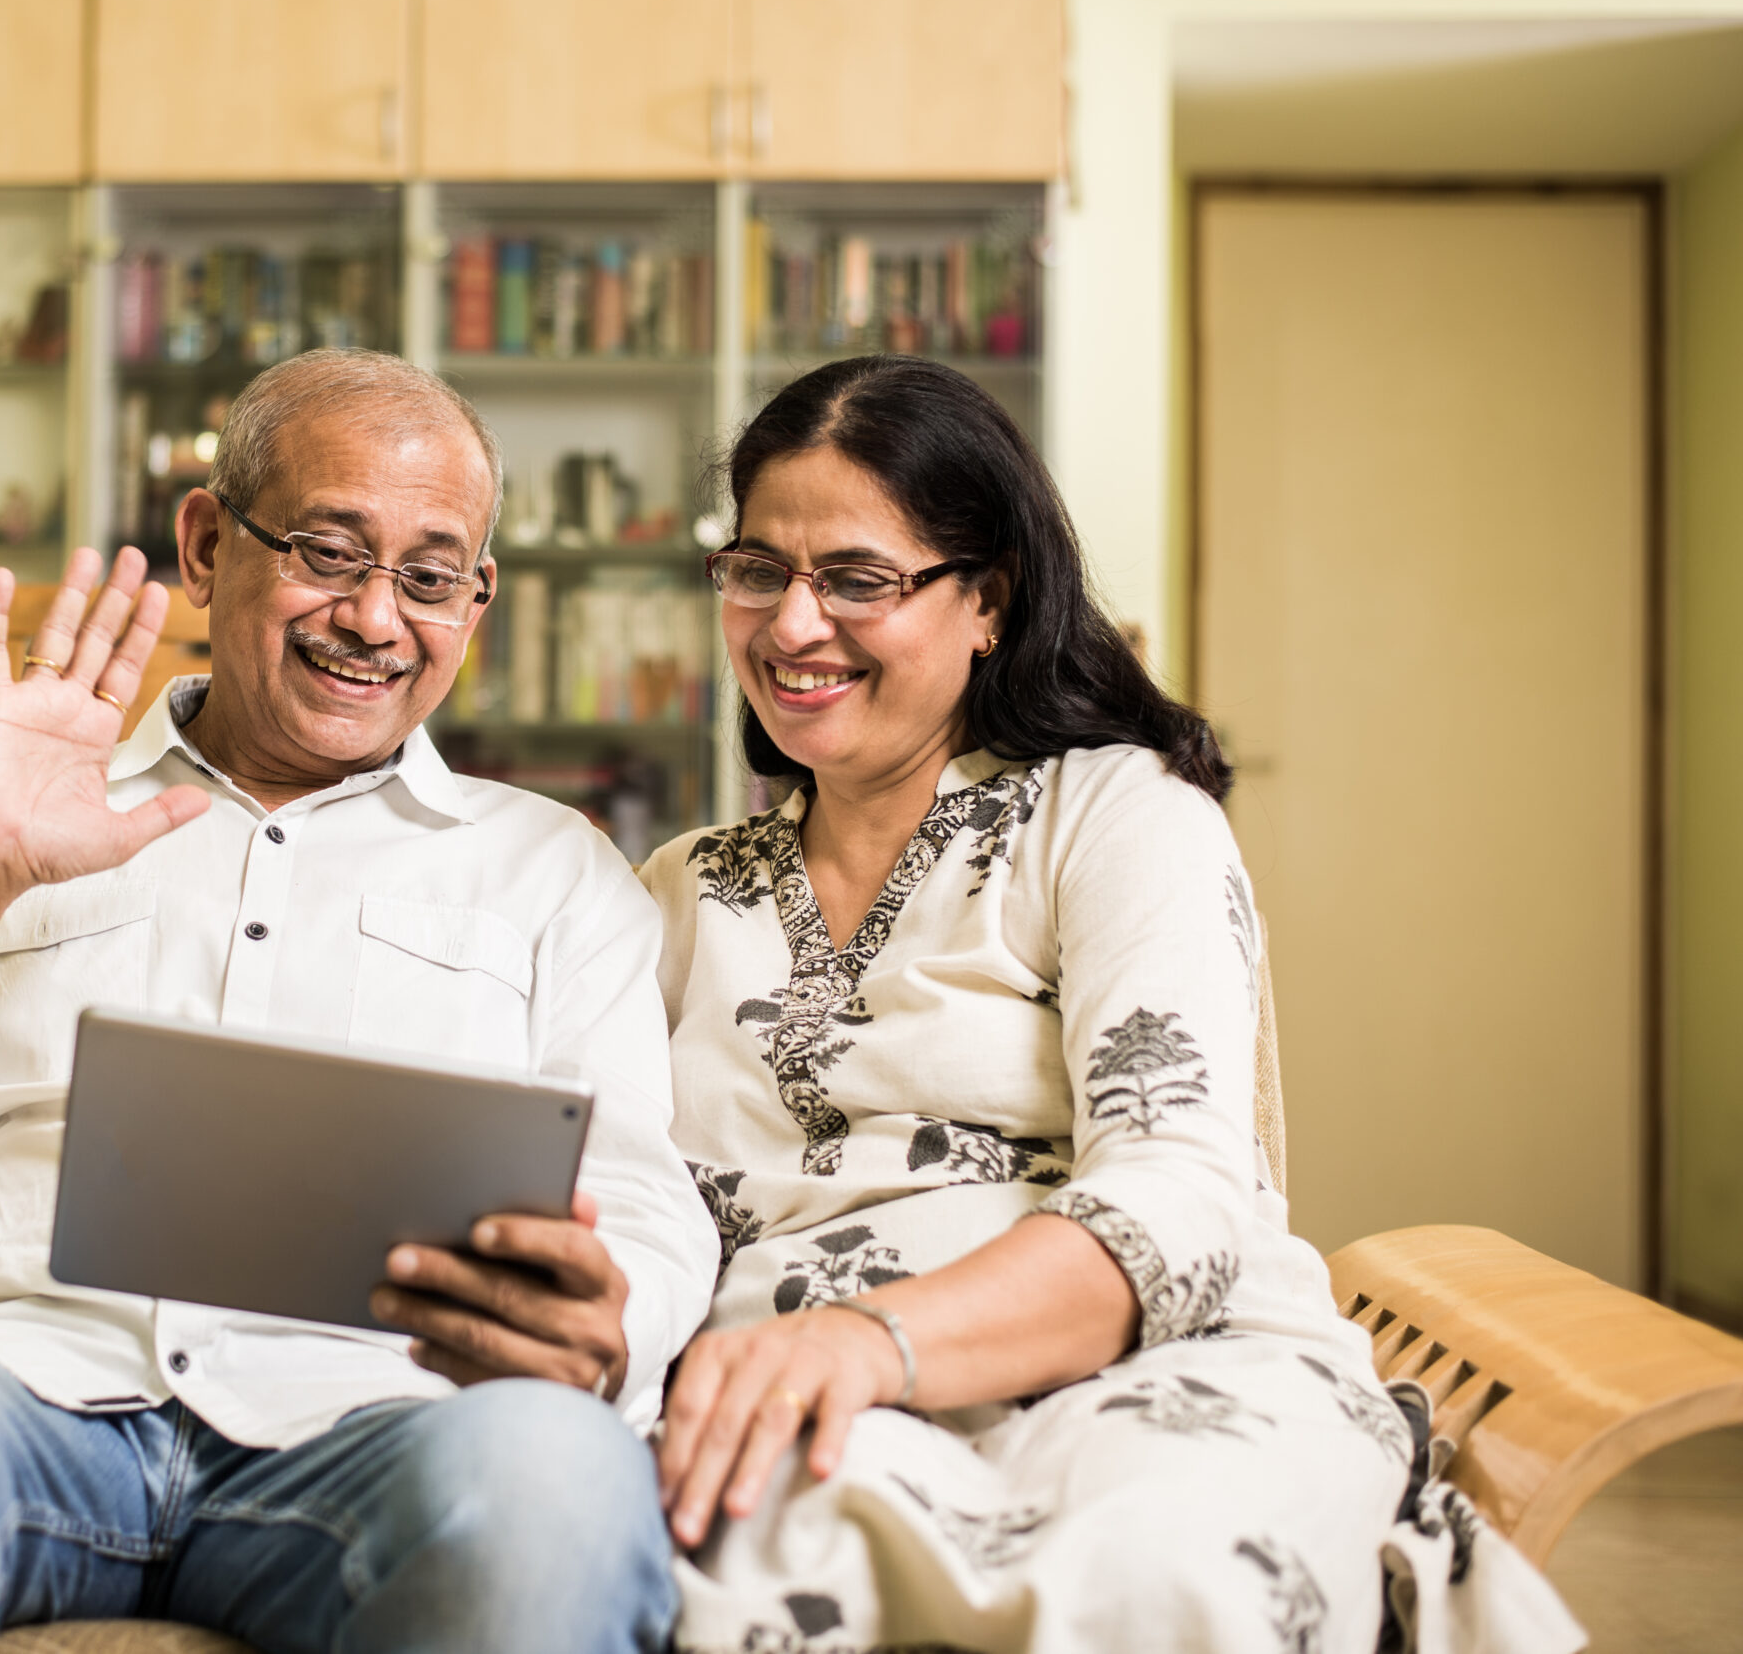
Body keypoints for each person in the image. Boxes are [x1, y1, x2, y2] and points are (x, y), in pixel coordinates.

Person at [0, 348, 717, 1654]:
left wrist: (605, 1318)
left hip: (383, 1427)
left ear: (476, 597)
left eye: (431, 577)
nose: (377, 618)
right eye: (329, 553)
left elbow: (650, 1211)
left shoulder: (556, 872)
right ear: (209, 545)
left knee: (558, 1483)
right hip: (20, 1395)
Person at [640, 356, 1583, 1654]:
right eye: (758, 569)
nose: (793, 623)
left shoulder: (1115, 814)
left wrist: (873, 1339)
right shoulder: (678, 894)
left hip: (1146, 1366)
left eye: (856, 577)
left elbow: (1181, 1193)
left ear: (987, 601)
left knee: (1156, 1568)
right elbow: (621, 1201)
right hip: (792, 1388)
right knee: (695, 1547)